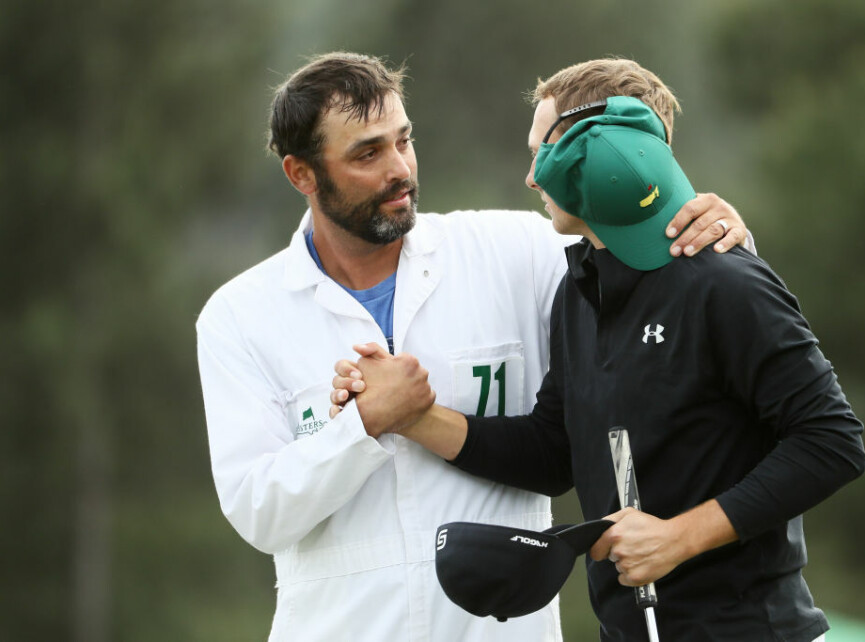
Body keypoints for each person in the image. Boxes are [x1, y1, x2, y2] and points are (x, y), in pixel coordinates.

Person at [196, 52, 750, 641]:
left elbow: (674, 291)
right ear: (300, 173)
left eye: (403, 141)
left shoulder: (520, 250)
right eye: (367, 153)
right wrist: (361, 425)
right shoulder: (238, 316)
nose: (400, 169)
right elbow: (261, 514)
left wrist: (713, 230)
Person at [332, 59, 865, 641]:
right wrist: (412, 416)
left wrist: (678, 537)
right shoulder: (580, 289)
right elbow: (554, 452)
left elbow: (832, 440)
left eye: (544, 153)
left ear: (601, 154)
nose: (533, 178)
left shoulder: (724, 283)